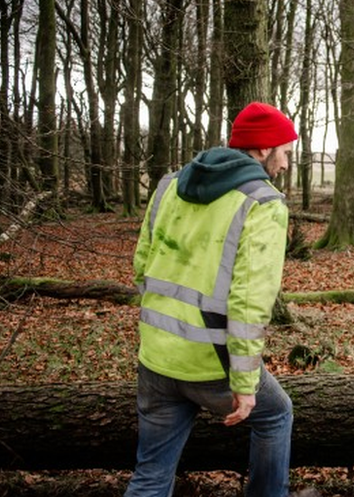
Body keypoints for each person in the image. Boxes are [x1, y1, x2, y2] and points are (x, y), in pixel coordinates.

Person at [126, 102, 296, 497]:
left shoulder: (170, 184)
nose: (286, 164)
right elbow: (249, 305)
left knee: (150, 476)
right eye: (285, 152)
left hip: (156, 356)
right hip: (212, 364)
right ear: (263, 149)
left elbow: (141, 267)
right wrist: (244, 381)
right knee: (276, 415)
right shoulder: (263, 203)